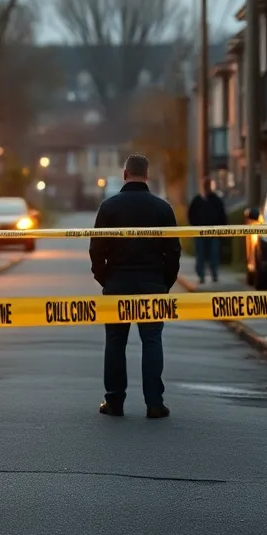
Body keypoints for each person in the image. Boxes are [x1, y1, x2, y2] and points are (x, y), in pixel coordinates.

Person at [89, 154, 181, 419]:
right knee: (151, 341)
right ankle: (154, 403)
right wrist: (164, 282)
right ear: (147, 176)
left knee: (116, 342)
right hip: (152, 283)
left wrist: (105, 278)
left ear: (125, 174)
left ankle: (114, 401)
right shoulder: (162, 209)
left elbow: (97, 249)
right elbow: (173, 251)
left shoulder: (109, 207)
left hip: (117, 282)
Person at [187, 177, 227, 284]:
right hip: (200, 232)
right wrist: (194, 227)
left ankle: (214, 274)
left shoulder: (216, 200)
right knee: (201, 255)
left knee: (213, 254)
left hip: (213, 232)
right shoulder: (197, 200)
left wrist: (221, 229)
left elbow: (222, 215)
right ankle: (201, 276)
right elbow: (191, 215)